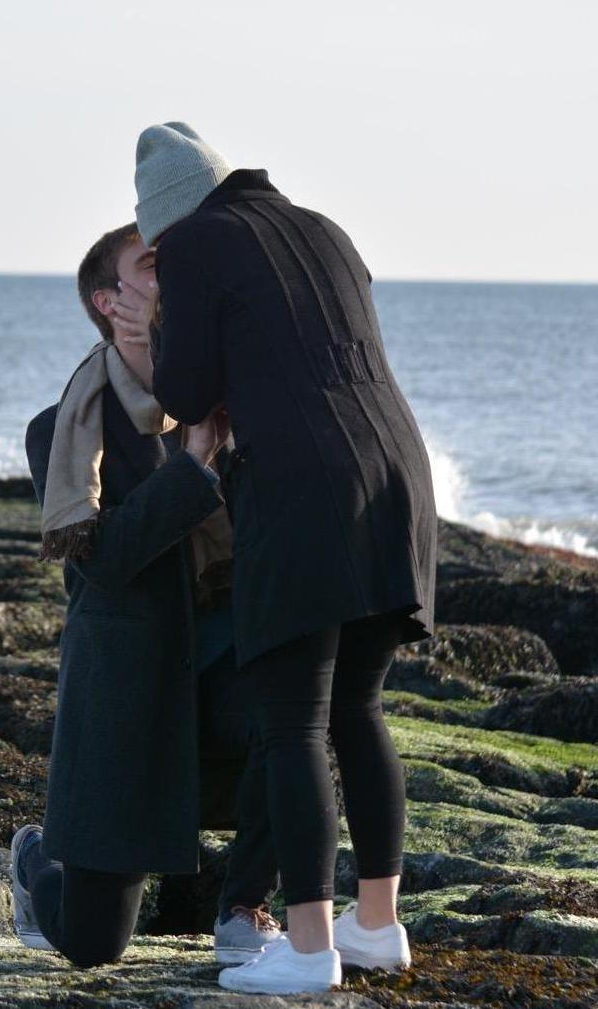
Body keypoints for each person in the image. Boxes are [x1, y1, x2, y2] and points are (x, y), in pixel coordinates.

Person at [121, 122, 437, 995]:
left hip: (303, 490)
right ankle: (377, 927)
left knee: (294, 720)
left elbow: (186, 393)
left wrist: (157, 321)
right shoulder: (322, 226)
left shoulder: (196, 244)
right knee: (359, 709)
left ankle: (305, 949)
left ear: (166, 220)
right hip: (397, 474)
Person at [10, 222, 284, 969]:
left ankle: (244, 907)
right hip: (126, 695)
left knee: (297, 722)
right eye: (156, 265)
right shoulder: (61, 432)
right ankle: (36, 866)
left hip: (222, 665)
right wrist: (192, 465)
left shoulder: (231, 400)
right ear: (110, 301)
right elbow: (105, 562)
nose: (177, 277)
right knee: (93, 946)